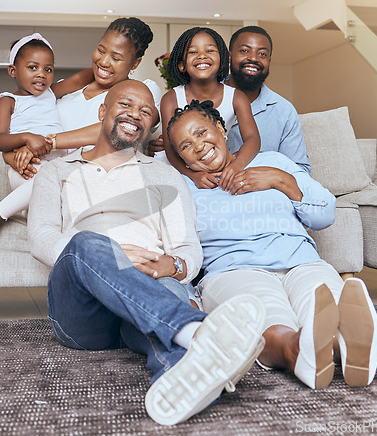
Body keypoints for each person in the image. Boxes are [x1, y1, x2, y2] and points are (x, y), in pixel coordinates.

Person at [27, 80, 267, 426]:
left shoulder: (164, 175)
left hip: (145, 291)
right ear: (102, 112)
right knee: (85, 242)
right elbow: (41, 238)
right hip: (82, 313)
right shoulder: (58, 171)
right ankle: (198, 331)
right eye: (125, 105)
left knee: (164, 289)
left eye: (145, 111)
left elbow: (187, 248)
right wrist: (110, 254)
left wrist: (173, 264)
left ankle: (179, 379)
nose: (134, 115)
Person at [167, 99, 377, 390]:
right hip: (235, 270)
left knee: (322, 299)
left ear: (220, 128)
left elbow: (325, 214)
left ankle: (342, 344)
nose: (198, 146)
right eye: (186, 146)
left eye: (202, 132)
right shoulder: (184, 187)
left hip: (300, 260)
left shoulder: (275, 162)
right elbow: (177, 247)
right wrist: (188, 295)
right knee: (265, 314)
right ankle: (296, 350)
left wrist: (280, 180)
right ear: (182, 158)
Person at [0, 33, 93, 265]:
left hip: (56, 166)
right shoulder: (8, 101)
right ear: (13, 71)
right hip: (26, 168)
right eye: (33, 67)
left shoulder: (51, 93)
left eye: (48, 69)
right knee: (46, 181)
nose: (41, 74)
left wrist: (105, 65)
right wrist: (27, 137)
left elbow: (82, 78)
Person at [8, 17, 162, 182]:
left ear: (135, 63)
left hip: (95, 176)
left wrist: (48, 142)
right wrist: (16, 157)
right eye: (101, 50)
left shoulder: (145, 91)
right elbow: (23, 121)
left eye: (116, 58)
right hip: (45, 170)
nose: (103, 61)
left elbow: (119, 130)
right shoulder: (66, 91)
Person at [159, 27, 261, 191]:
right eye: (193, 52)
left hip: (218, 160)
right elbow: (171, 150)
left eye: (210, 50)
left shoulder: (237, 97)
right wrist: (194, 175)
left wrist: (238, 164)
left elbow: (252, 138)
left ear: (222, 58)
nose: (202, 56)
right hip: (187, 167)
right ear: (181, 65)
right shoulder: (170, 99)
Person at [226, 26, 311, 173]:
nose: (253, 58)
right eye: (245, 51)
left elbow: (300, 171)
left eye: (262, 54)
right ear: (229, 56)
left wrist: (267, 177)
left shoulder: (284, 111)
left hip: (263, 192)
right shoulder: (205, 97)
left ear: (269, 61)